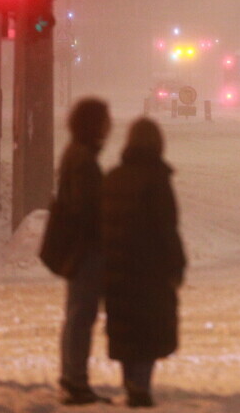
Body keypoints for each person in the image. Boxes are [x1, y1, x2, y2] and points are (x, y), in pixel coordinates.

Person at [102, 117, 186, 408]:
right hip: (150, 270)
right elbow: (166, 227)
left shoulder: (113, 178)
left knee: (125, 327)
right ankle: (141, 385)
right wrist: (176, 265)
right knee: (148, 330)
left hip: (117, 268)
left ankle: (130, 382)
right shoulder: (157, 180)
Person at [55, 98, 113, 406]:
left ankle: (73, 376)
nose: (109, 125)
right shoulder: (82, 159)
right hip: (85, 249)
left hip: (80, 247)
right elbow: (85, 207)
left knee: (77, 314)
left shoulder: (76, 153)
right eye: (104, 120)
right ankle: (75, 380)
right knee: (81, 315)